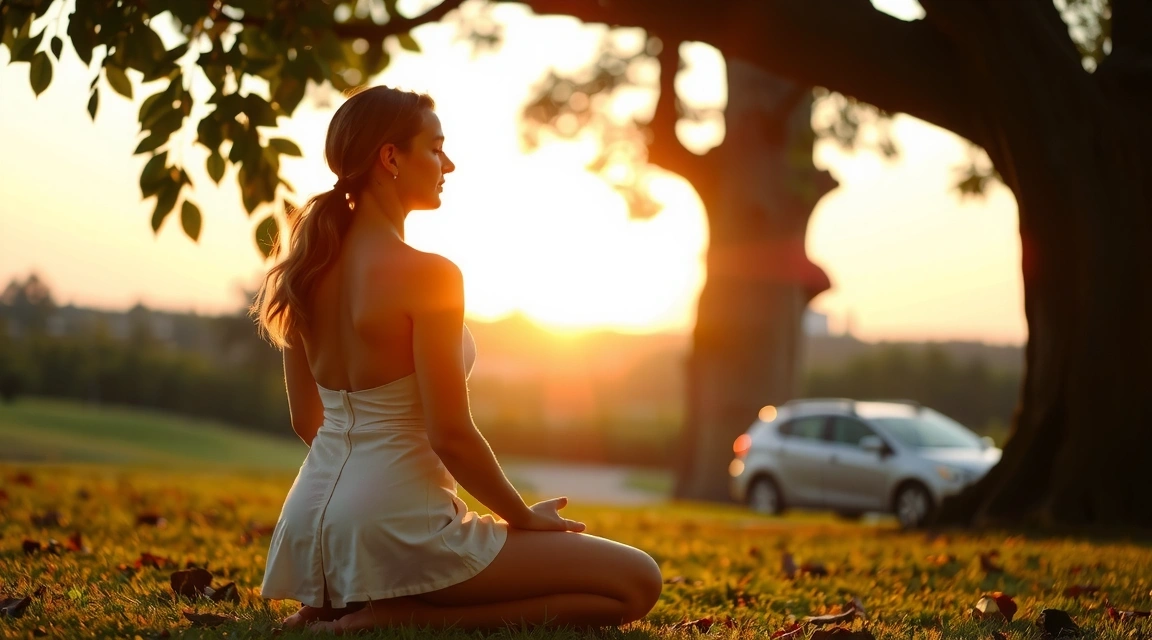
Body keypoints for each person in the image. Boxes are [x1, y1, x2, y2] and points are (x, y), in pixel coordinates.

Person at [250, 86, 662, 634]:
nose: (449, 164)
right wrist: (522, 519)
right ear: (390, 158)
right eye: (435, 148)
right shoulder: (430, 275)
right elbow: (451, 434)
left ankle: (355, 605)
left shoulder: (304, 270)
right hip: (402, 525)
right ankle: (393, 616)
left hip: (312, 522)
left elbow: (308, 421)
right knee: (638, 581)